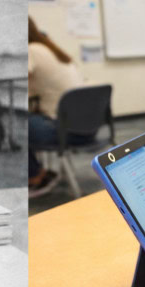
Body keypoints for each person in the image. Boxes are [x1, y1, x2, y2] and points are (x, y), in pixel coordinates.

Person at [27, 16, 87, 198]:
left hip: (64, 130)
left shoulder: (32, 50)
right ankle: (39, 172)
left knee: (17, 124)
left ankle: (36, 176)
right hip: (87, 127)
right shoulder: (52, 49)